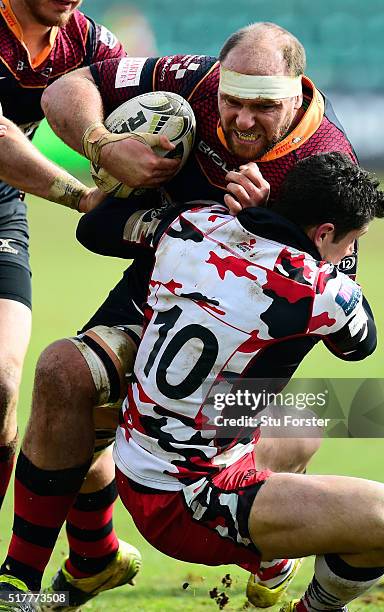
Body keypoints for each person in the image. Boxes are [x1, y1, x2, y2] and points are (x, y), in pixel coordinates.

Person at [1, 22, 359, 610]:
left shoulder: (324, 168)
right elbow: (67, 86)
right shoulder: (191, 78)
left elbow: (344, 323)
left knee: (284, 425)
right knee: (64, 375)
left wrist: (269, 234)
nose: (242, 120)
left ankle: (266, 518)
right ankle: (19, 580)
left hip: (248, 335)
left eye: (263, 107)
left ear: (297, 94)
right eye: (232, 102)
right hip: (163, 280)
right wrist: (101, 142)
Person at [105, 151, 384, 612]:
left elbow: (95, 228)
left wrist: (259, 220)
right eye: (352, 242)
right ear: (324, 233)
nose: (349, 254)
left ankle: (271, 566)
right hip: (186, 503)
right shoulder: (321, 291)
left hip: (135, 461)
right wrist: (324, 266)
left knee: (303, 423)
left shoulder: (196, 222)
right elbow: (359, 344)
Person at [0, 0, 143, 607]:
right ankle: (96, 554)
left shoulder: (87, 42)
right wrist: (86, 196)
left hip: (0, 211)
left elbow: (139, 112)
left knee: (4, 388)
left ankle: (91, 555)